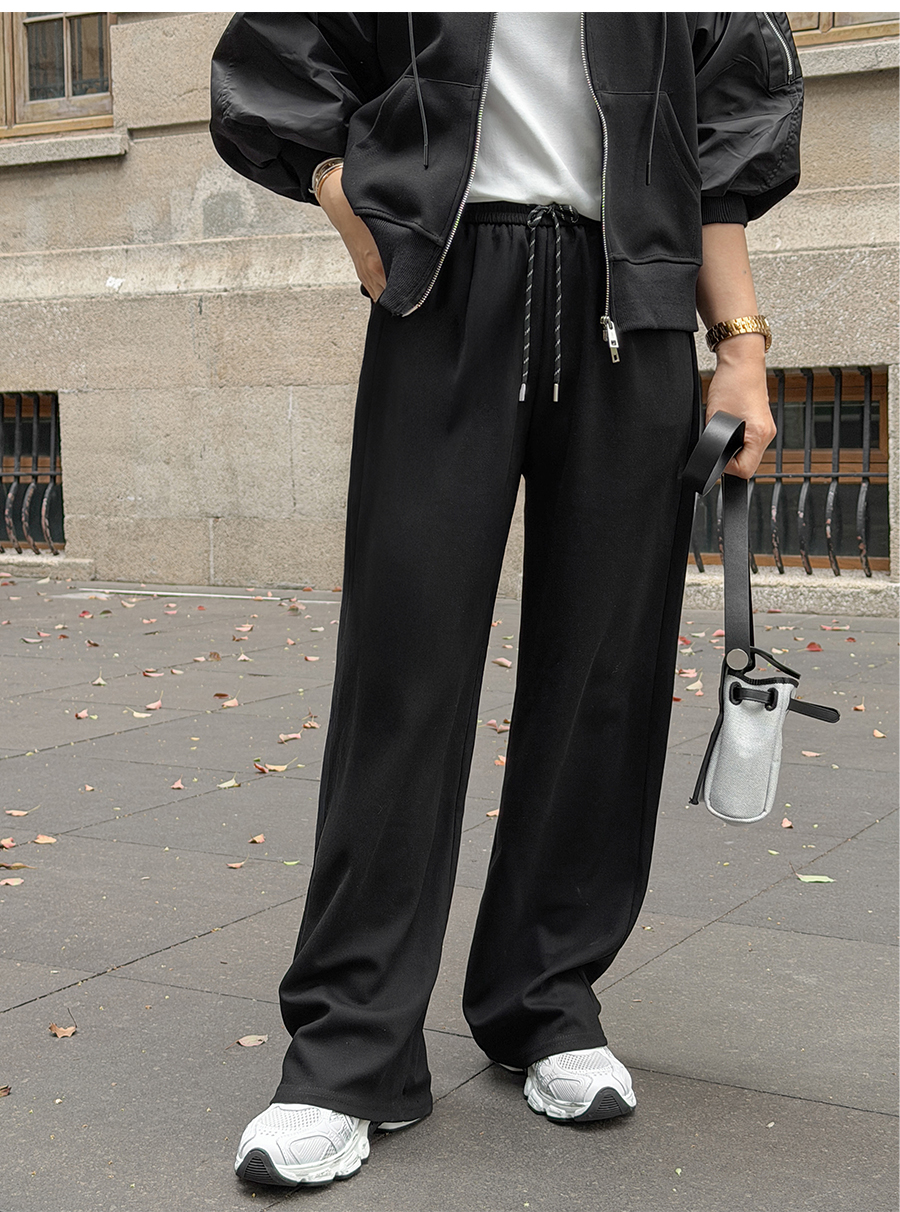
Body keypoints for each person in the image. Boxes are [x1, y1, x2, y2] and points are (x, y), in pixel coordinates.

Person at [210, 12, 802, 1189]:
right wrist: (347, 201)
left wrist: (739, 344)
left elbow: (720, 127)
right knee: (404, 669)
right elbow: (281, 53)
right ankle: (348, 1053)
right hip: (446, 284)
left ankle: (545, 999)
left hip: (633, 297)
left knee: (603, 675)